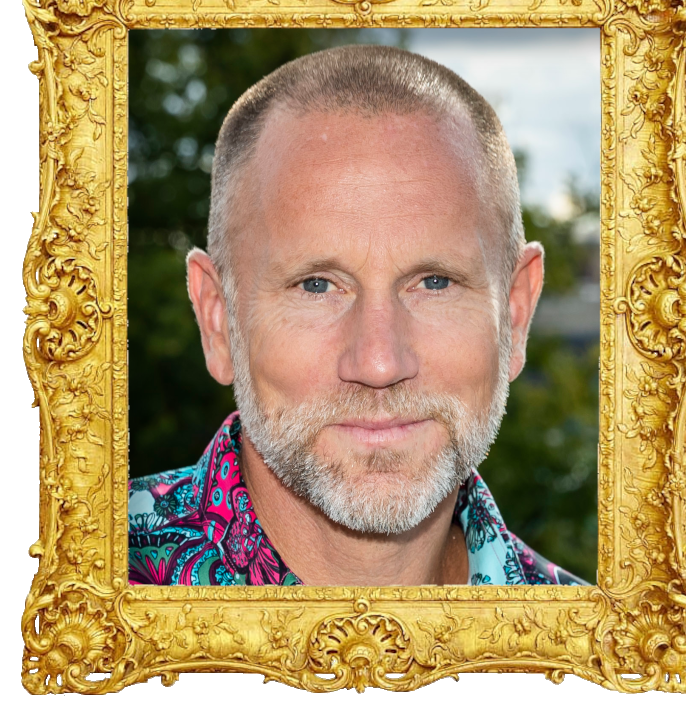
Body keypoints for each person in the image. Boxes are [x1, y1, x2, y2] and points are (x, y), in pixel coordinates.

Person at [128, 45, 588, 587]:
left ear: (514, 314)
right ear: (217, 319)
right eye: (317, 285)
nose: (378, 362)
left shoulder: (605, 649)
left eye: (434, 283)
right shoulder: (77, 597)